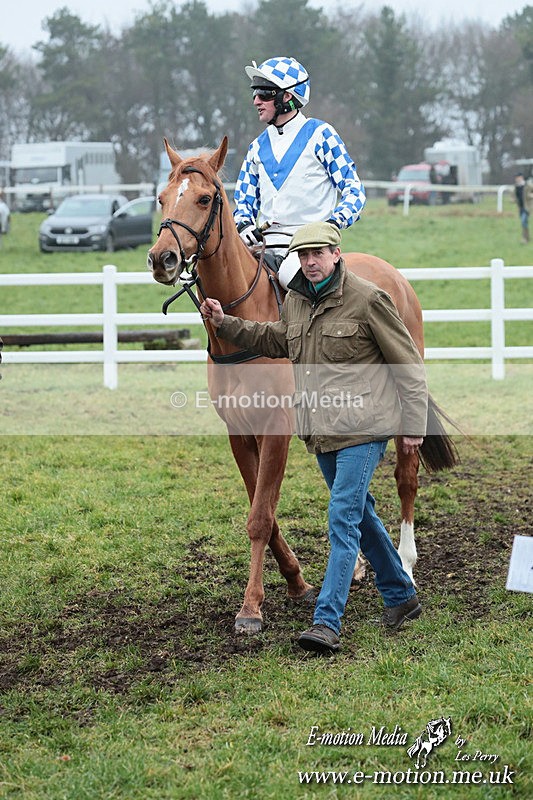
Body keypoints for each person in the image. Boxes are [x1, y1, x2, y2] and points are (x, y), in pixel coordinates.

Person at [200, 222, 428, 654]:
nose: (310, 263)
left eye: (318, 254)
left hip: (363, 428)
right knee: (360, 515)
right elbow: (273, 339)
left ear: (336, 254)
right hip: (320, 432)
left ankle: (327, 621)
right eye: (303, 257)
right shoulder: (299, 303)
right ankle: (401, 596)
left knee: (341, 518)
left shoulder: (369, 299)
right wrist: (225, 323)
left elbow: (408, 363)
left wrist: (414, 423)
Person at [233, 56, 366, 289]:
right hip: (262, 248)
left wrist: (333, 224)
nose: (256, 101)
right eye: (254, 93)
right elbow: (243, 201)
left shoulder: (321, 135)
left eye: (264, 93)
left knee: (290, 280)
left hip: (308, 248)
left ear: (287, 97)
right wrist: (244, 225)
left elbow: (354, 190)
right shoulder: (256, 147)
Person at [514, 173, 531, 244]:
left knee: (524, 221)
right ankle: (527, 237)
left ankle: (525, 239)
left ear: (521, 177)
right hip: (520, 207)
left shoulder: (527, 186)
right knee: (524, 223)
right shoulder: (516, 187)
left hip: (527, 207)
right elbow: (514, 195)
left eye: (518, 177)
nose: (517, 179)